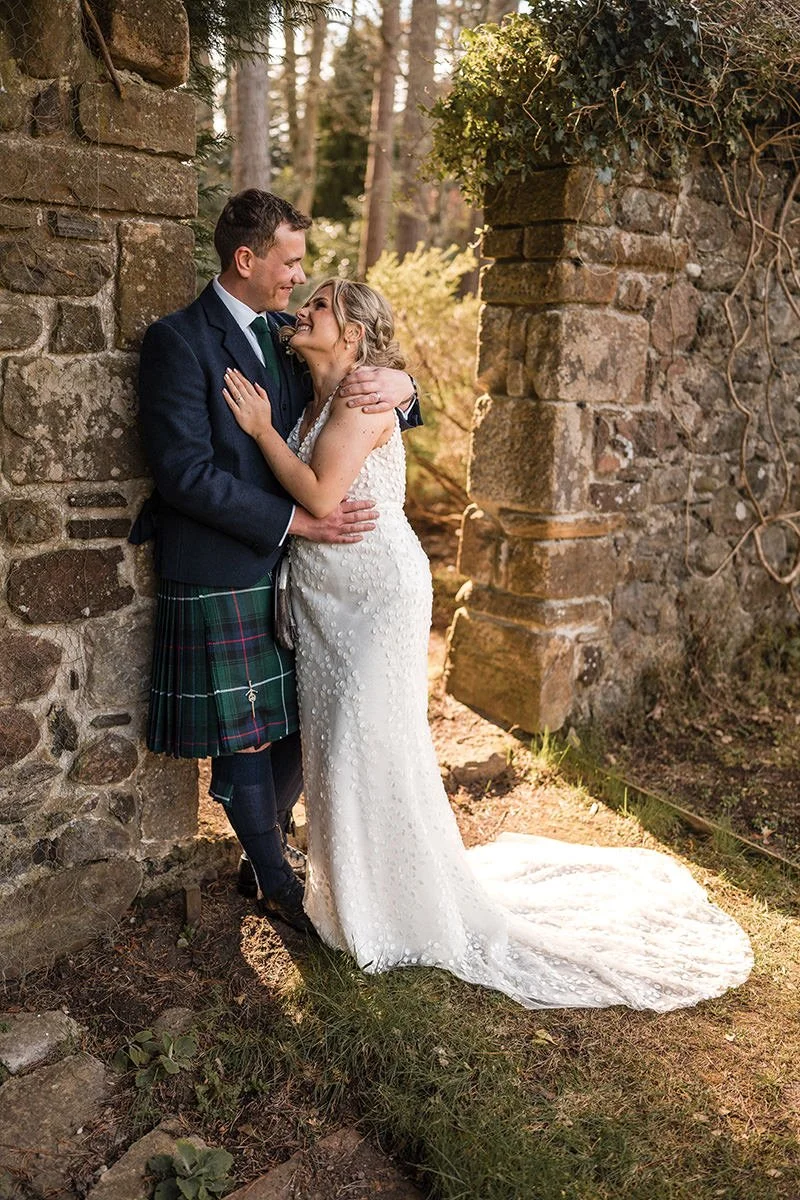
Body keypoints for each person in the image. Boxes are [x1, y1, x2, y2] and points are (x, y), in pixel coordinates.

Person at [221, 277, 754, 1011]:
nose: (302, 311)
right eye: (305, 298)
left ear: (351, 336)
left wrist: (260, 433)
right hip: (326, 599)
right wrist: (389, 385)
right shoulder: (320, 386)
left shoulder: (358, 397)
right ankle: (352, 894)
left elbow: (318, 496)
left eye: (319, 307)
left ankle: (389, 907)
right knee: (342, 748)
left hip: (374, 595)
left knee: (362, 743)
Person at [130, 192, 420, 935]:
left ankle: (263, 849)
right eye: (289, 262)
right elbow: (184, 474)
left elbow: (351, 383)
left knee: (302, 718)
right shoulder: (179, 341)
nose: (297, 279)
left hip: (308, 577)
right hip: (225, 566)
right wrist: (299, 518)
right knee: (247, 739)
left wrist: (406, 387)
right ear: (246, 260)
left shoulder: (289, 333)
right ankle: (274, 875)